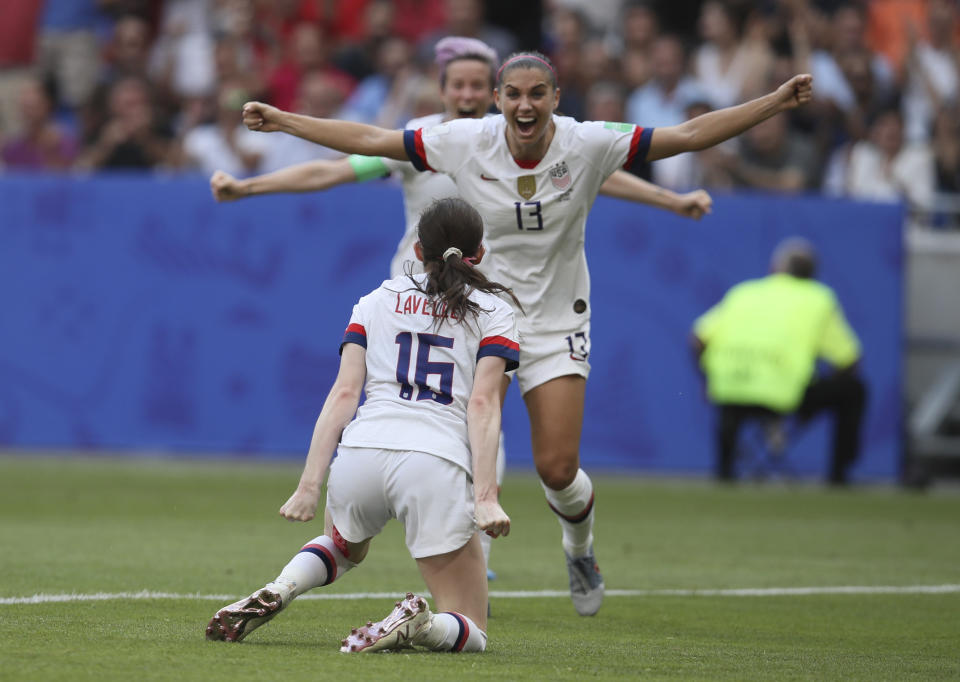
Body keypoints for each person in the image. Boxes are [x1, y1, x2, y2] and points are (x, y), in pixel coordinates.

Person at [237, 50, 812, 616]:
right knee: (452, 439)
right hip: (479, 316)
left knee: (557, 469)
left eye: (538, 93)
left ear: (556, 100)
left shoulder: (587, 142)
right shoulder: (464, 140)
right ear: (498, 100)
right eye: (513, 94)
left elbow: (686, 136)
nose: (525, 104)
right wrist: (286, 119)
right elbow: (369, 142)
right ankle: (469, 562)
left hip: (557, 320)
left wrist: (775, 102)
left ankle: (579, 550)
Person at [206, 197, 519, 652]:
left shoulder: (376, 299)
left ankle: (282, 585)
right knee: (472, 628)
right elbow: (484, 405)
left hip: (360, 454)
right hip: (435, 463)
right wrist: (486, 497)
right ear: (481, 253)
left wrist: (309, 485)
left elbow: (344, 395)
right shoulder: (495, 312)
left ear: (416, 251)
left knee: (345, 546)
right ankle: (421, 625)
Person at [691, 238, 867, 485]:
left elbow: (698, 338)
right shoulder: (819, 299)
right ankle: (839, 475)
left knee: (731, 401)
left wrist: (708, 378)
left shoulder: (744, 292)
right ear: (813, 273)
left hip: (730, 390)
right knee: (855, 390)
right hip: (787, 395)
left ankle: (724, 472)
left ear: (775, 268)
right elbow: (850, 360)